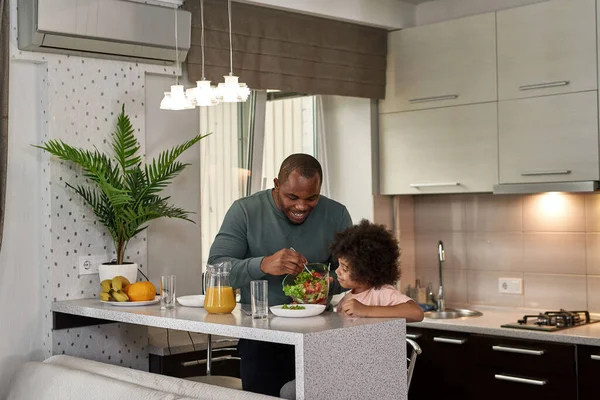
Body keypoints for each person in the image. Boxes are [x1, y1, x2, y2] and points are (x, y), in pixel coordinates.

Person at [207, 153, 352, 397]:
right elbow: (216, 269)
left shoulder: (336, 214)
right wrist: (263, 264)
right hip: (260, 338)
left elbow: (353, 273)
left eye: (311, 198)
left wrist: (327, 285)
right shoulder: (244, 211)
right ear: (276, 184)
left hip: (319, 338)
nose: (301, 206)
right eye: (292, 197)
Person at [280, 219, 424, 400]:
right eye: (339, 265)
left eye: (345, 268)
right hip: (346, 369)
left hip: (370, 375)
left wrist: (367, 310)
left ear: (368, 273)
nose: (337, 271)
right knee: (289, 390)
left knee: (293, 391)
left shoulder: (382, 292)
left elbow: (416, 312)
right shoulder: (347, 298)